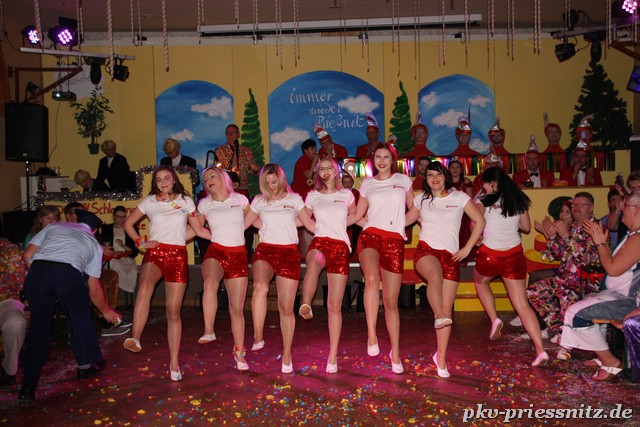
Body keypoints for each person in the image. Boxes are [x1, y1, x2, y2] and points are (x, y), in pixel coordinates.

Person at [122, 165, 211, 382]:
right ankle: (135, 337)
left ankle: (174, 362)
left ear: (174, 180)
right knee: (144, 287)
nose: (163, 182)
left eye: (167, 178)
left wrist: (224, 235)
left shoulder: (185, 201)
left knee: (173, 312)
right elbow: (128, 223)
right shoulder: (149, 201)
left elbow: (197, 230)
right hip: (155, 253)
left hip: (178, 255)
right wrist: (140, 242)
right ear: (155, 182)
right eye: (159, 179)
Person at [19, 210, 120, 401]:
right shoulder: (93, 243)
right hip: (67, 274)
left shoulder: (55, 226)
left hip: (38, 273)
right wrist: (106, 311)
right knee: (79, 318)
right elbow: (93, 288)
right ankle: (85, 366)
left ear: (76, 222)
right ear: (95, 230)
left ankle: (27, 387)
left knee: (37, 329)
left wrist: (45, 281)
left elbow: (27, 255)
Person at [405, 161, 485, 377]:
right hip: (426, 251)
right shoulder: (421, 199)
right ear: (426, 179)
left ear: (445, 177)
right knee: (435, 277)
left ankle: (440, 356)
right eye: (430, 175)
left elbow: (479, 221)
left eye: (438, 174)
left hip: (450, 256)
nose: (434, 178)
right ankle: (438, 313)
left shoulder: (459, 197)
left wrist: (467, 248)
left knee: (447, 311)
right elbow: (404, 221)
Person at [472, 166, 549, 367]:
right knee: (522, 305)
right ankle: (540, 350)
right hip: (514, 256)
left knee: (480, 281)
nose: (483, 187)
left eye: (484, 183)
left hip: (490, 254)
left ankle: (495, 319)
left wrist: (477, 238)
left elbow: (475, 224)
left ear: (492, 183)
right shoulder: (517, 199)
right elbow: (526, 228)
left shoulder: (482, 200)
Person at [560, 193, 640, 380]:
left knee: (576, 313)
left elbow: (612, 269)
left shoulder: (637, 239)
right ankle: (602, 353)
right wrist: (602, 244)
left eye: (625, 206)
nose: (621, 210)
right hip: (616, 293)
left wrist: (600, 243)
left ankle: (610, 361)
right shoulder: (633, 235)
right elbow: (615, 261)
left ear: (636, 210)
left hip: (627, 300)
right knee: (581, 304)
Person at [244, 163, 315, 373]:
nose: (271, 186)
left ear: (281, 180)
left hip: (288, 252)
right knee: (260, 286)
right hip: (265, 250)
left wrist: (333, 229)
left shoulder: (294, 199)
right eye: (267, 183)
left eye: (274, 182)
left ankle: (287, 355)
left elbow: (309, 223)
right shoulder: (259, 201)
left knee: (286, 308)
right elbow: (244, 223)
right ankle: (258, 336)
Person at [353, 141, 413, 374]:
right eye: (378, 157)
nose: (381, 161)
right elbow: (358, 215)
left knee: (390, 301)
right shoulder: (367, 184)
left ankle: (395, 352)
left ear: (392, 160)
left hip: (394, 241)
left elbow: (414, 209)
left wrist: (401, 224)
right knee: (370, 279)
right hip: (370, 237)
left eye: (386, 157)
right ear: (373, 160)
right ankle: (371, 335)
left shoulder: (403, 181)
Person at [297, 159, 357, 374]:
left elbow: (356, 215)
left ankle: (332, 356)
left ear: (335, 170)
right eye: (320, 169)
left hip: (340, 246)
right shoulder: (313, 195)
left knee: (334, 306)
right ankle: (306, 304)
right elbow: (302, 217)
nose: (324, 172)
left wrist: (340, 225)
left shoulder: (347, 195)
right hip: (320, 241)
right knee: (313, 261)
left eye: (328, 168)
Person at [527, 191, 600, 356]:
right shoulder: (573, 227)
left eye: (581, 205)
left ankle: (566, 345)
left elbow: (585, 258)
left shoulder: (595, 228)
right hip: (565, 278)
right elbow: (558, 254)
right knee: (534, 292)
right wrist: (552, 236)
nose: (576, 208)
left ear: (591, 208)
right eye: (574, 205)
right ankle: (562, 329)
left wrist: (566, 237)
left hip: (584, 281)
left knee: (565, 294)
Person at [196, 166, 252, 370]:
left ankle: (239, 353)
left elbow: (255, 219)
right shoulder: (204, 204)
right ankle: (209, 330)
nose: (208, 180)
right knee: (210, 282)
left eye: (212, 176)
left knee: (236, 309)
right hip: (216, 251)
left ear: (223, 178)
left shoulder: (240, 200)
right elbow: (196, 229)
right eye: (205, 179)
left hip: (238, 254)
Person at [0, 238, 28, 388]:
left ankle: (9, 369)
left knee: (15, 322)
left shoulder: (7, 248)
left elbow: (18, 281)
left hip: (5, 300)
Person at [100, 206, 139, 311]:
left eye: (123, 217)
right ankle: (113, 297)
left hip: (127, 257)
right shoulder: (107, 229)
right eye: (118, 217)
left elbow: (135, 251)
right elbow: (103, 246)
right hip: (112, 257)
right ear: (114, 217)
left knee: (131, 266)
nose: (121, 220)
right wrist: (113, 252)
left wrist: (123, 246)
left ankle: (128, 298)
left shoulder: (131, 228)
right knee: (113, 263)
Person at [215, 124, 260, 195]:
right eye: (227, 133)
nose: (230, 135)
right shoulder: (219, 150)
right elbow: (217, 170)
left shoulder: (246, 151)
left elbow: (255, 172)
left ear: (238, 135)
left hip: (242, 190)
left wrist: (255, 169)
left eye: (232, 132)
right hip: (226, 191)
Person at [342, 173, 362, 257]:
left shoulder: (356, 193)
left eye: (349, 182)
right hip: (343, 219)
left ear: (352, 183)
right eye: (345, 182)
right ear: (342, 183)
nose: (347, 184)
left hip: (355, 220)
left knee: (355, 238)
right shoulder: (340, 193)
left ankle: (353, 255)